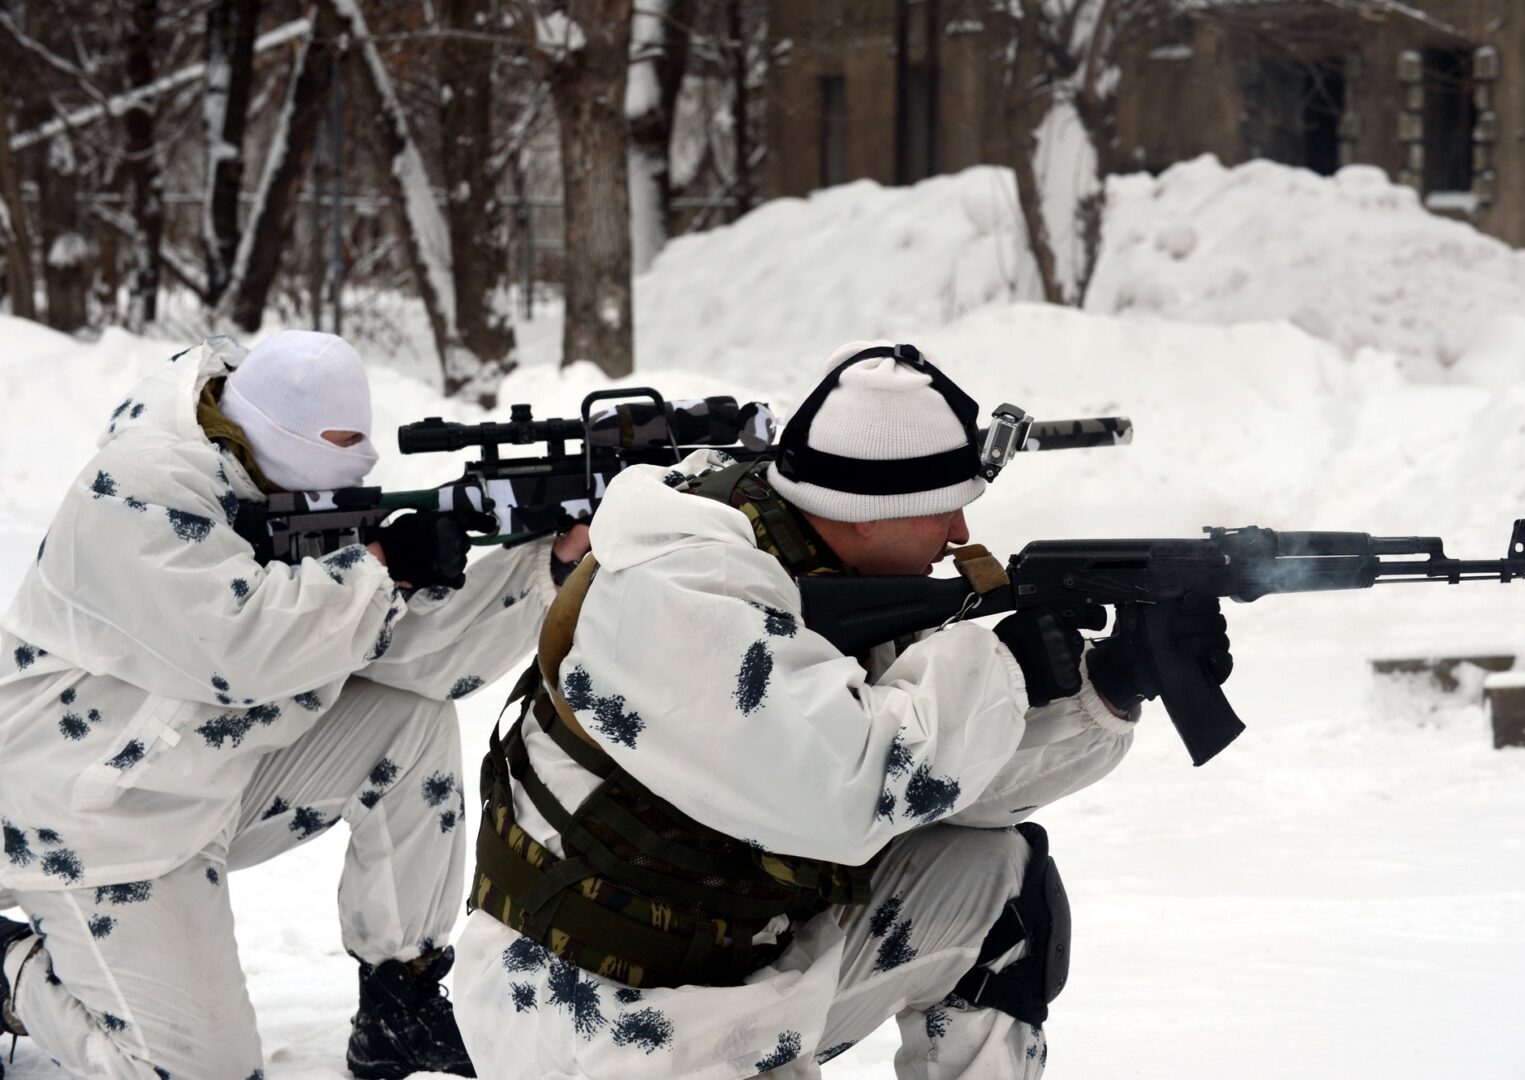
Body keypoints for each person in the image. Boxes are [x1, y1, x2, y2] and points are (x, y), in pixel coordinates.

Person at [451, 341, 1232, 1078]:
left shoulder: (824, 559)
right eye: (944, 508)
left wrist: (1111, 685)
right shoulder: (687, 588)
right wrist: (1004, 668)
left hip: (731, 978)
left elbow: (947, 788)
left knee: (997, 880)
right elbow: (849, 796)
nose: (961, 531)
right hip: (593, 1022)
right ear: (867, 508)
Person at [0, 331, 571, 1080]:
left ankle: (397, 1002)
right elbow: (236, 643)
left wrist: (546, 568)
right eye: (333, 451)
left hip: (198, 783)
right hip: (84, 815)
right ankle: (12, 971)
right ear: (273, 436)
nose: (348, 471)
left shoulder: (275, 488)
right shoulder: (136, 488)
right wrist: (378, 570)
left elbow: (411, 658)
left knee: (408, 721)